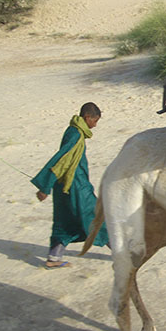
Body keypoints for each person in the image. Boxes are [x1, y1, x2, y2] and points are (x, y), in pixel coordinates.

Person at [32, 102, 109, 269]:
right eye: (95, 121)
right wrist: (45, 187)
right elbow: (61, 160)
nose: (95, 125)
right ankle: (121, 252)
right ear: (87, 117)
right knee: (96, 216)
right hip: (76, 186)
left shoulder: (74, 130)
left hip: (63, 186)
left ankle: (54, 258)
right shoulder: (75, 135)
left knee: (64, 220)